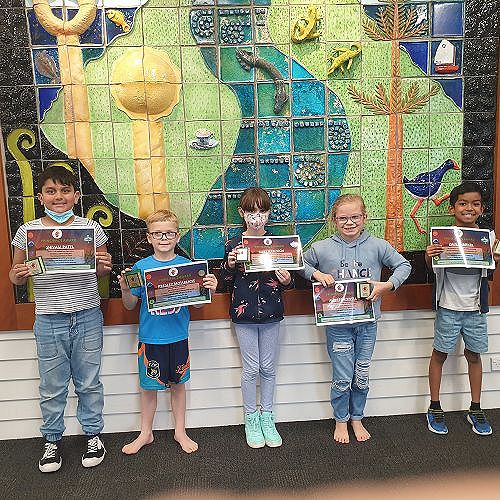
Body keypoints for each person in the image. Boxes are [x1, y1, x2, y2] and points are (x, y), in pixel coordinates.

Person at [9, 165, 112, 473]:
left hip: (87, 316)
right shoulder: (27, 232)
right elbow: (15, 276)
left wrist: (104, 265)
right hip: (49, 319)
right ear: (40, 197)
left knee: (89, 383)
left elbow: (102, 270)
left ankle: (93, 436)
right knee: (52, 387)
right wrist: (18, 274)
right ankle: (52, 441)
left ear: (76, 196)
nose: (58, 196)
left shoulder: (90, 229)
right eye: (51, 191)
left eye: (65, 190)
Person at [300, 194, 411, 444]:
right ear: (334, 220)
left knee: (361, 374)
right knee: (342, 377)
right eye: (343, 218)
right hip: (337, 324)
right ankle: (341, 420)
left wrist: (387, 285)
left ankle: (357, 417)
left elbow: (404, 266)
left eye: (355, 217)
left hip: (367, 324)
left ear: (364, 217)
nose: (349, 222)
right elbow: (299, 263)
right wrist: (317, 274)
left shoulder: (378, 246)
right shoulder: (322, 247)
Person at [119, 209, 218, 455]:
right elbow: (130, 305)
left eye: (169, 233)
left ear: (177, 236)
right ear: (149, 237)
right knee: (148, 388)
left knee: (178, 386)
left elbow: (198, 305)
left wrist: (211, 290)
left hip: (178, 338)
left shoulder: (187, 266)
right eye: (157, 234)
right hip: (150, 338)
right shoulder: (140, 268)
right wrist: (125, 289)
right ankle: (146, 433)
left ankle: (180, 431)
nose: (163, 238)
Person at [425, 181, 499, 436]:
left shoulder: (489, 237)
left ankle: (475, 408)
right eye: (463, 203)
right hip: (448, 306)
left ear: (482, 209)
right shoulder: (441, 236)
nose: (469, 208)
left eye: (475, 204)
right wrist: (429, 254)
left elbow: (491, 270)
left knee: (474, 356)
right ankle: (434, 406)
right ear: (452, 208)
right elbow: (432, 267)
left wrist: (495, 258)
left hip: (475, 309)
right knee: (439, 354)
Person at [221, 188, 292, 449]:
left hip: (272, 313)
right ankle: (251, 418)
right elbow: (225, 281)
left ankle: (267, 416)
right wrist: (230, 265)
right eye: (251, 211)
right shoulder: (233, 245)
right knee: (251, 368)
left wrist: (287, 280)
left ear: (269, 213)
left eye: (262, 211)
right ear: (242, 213)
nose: (257, 216)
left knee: (269, 368)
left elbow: (289, 281)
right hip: (244, 315)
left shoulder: (279, 244)